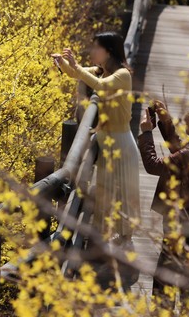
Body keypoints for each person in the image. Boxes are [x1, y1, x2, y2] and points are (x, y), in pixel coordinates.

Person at [52, 32, 141, 241]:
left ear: (108, 51)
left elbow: (100, 86)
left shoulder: (122, 75)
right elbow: (78, 74)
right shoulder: (102, 71)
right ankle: (104, 234)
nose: (92, 52)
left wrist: (76, 66)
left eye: (96, 48)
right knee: (106, 189)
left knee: (124, 190)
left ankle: (125, 235)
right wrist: (64, 63)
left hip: (120, 140)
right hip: (107, 140)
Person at [138, 99, 189, 294]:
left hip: (182, 221)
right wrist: (165, 123)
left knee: (165, 280)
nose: (185, 119)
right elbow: (180, 153)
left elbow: (153, 165)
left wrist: (146, 132)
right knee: (188, 275)